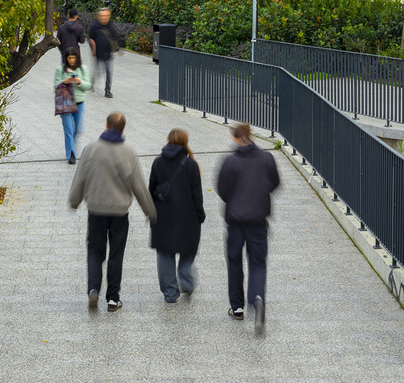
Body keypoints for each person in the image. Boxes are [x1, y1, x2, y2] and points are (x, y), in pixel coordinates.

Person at [66, 110, 155, 311]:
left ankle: (93, 289)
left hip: (96, 210)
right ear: (123, 129)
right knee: (117, 253)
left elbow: (80, 177)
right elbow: (138, 185)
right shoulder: (129, 152)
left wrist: (74, 200)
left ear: (106, 126)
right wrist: (149, 210)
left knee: (95, 251)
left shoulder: (91, 149)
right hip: (120, 212)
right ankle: (113, 298)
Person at [215, 120, 280, 324]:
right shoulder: (267, 158)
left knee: (234, 262)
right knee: (258, 262)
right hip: (258, 219)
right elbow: (275, 182)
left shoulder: (229, 162)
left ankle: (237, 307)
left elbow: (222, 190)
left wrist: (233, 200)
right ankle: (257, 297)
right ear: (250, 135)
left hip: (235, 220)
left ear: (235, 137)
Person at [148, 127, 206, 304]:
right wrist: (200, 214)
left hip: (163, 216)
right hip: (187, 217)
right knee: (188, 250)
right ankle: (186, 280)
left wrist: (152, 213)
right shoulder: (191, 165)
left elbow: (151, 190)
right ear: (184, 143)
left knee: (165, 254)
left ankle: (170, 292)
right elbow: (197, 194)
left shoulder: (158, 162)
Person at [54, 48, 92, 164]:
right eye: (69, 58)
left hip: (79, 103)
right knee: (69, 129)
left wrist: (79, 81)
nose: (71, 60)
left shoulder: (83, 69)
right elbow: (56, 87)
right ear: (66, 58)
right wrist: (64, 82)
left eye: (73, 58)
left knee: (79, 129)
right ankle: (71, 154)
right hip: (65, 103)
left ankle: (71, 146)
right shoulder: (60, 70)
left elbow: (88, 85)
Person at [85, 6, 118, 98]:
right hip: (98, 53)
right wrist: (93, 50)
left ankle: (107, 90)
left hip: (107, 53)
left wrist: (118, 48)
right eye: (103, 16)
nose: (105, 17)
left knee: (108, 71)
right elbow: (90, 39)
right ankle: (92, 82)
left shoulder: (110, 26)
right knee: (97, 70)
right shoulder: (94, 27)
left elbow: (114, 37)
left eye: (107, 15)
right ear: (99, 16)